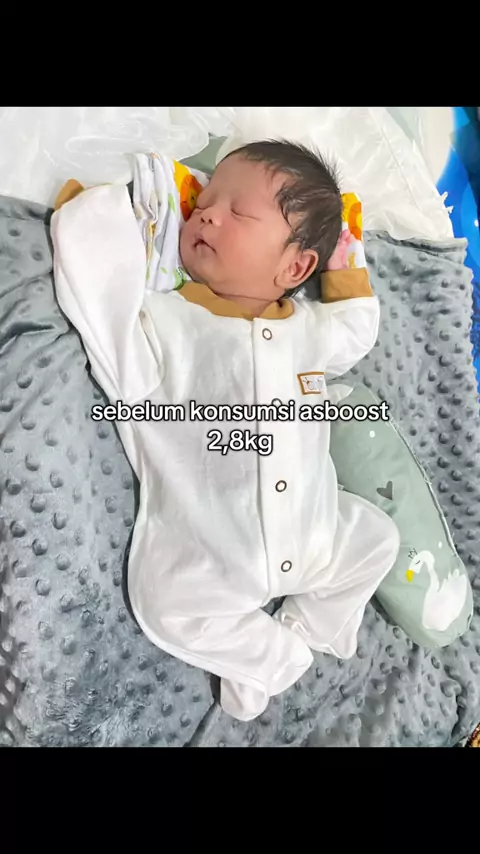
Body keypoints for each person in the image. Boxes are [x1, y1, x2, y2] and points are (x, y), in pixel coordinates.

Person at [51, 140, 400, 722]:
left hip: (316, 534)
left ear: (295, 268)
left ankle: (308, 627)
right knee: (164, 602)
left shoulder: (310, 329)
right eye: (204, 203)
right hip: (215, 552)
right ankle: (271, 657)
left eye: (237, 212)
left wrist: (346, 263)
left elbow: (356, 329)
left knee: (377, 539)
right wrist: (93, 226)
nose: (207, 215)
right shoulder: (169, 320)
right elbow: (111, 336)